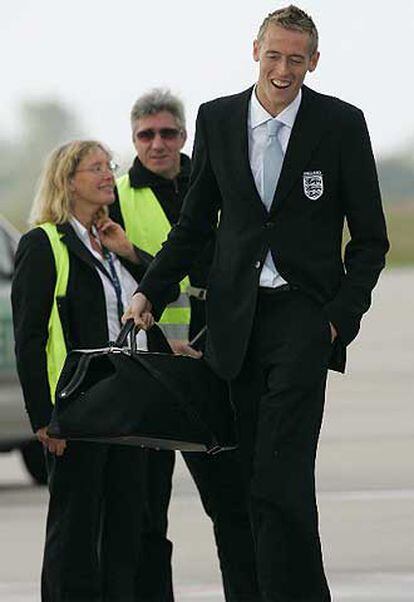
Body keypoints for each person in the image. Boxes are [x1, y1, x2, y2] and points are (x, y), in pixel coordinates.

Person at [124, 6, 390, 602]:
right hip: (234, 323)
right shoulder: (218, 119)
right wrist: (149, 290)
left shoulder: (341, 123)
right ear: (255, 51)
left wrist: (337, 321)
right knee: (244, 484)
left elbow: (372, 238)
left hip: (303, 320)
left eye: (297, 58)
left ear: (313, 62)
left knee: (280, 480)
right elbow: (193, 227)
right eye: (274, 55)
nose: (283, 68)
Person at [11, 140, 176, 602]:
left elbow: (147, 303)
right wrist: (44, 418)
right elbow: (28, 339)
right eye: (96, 168)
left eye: (110, 166)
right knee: (76, 534)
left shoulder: (109, 242)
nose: (109, 175)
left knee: (125, 530)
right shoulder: (43, 244)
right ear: (68, 181)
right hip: (78, 411)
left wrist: (129, 253)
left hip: (125, 411)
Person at [111, 88, 259, 601]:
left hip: (212, 364)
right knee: (147, 511)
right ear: (133, 139)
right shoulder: (118, 196)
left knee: (231, 502)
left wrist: (139, 254)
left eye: (168, 133)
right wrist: (137, 258)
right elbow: (125, 282)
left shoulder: (215, 180)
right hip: (150, 372)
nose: (157, 144)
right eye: (146, 135)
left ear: (184, 135)